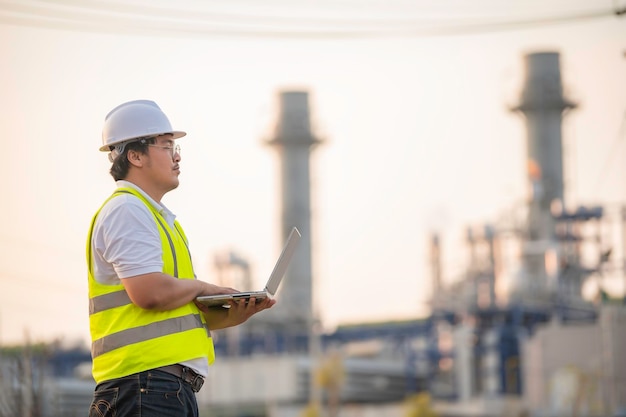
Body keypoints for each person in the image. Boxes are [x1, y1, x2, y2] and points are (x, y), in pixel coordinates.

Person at [86, 99, 275, 417]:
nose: (177, 156)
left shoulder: (156, 218)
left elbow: (169, 314)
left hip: (158, 389)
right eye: (166, 146)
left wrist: (232, 316)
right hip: (145, 388)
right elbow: (151, 294)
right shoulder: (128, 210)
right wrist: (204, 287)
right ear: (135, 155)